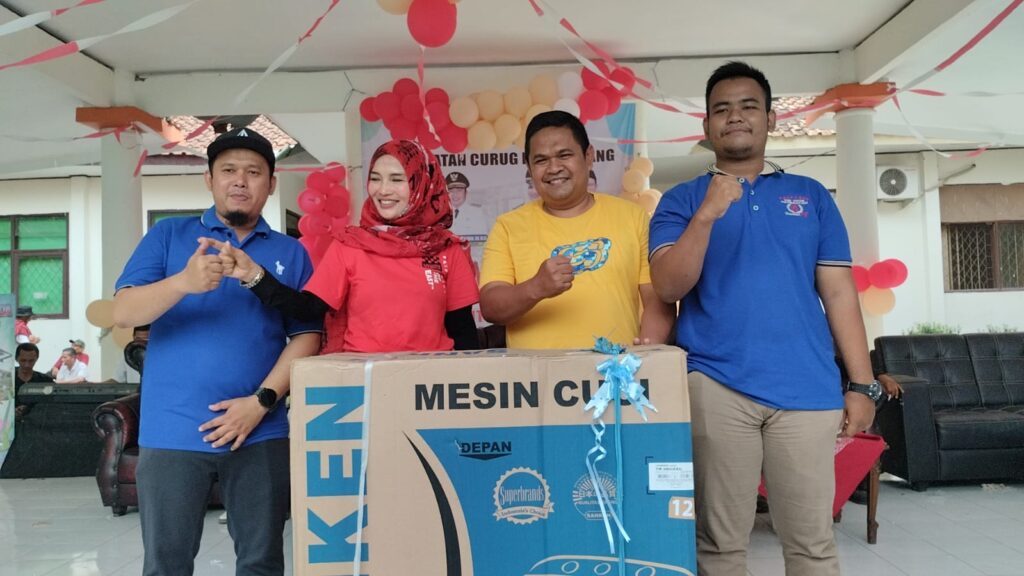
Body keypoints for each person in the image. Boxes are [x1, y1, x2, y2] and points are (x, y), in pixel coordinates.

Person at [648, 61, 876, 576]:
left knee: (812, 544)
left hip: (807, 390)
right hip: (717, 385)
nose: (735, 116)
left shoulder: (812, 196)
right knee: (719, 546)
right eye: (721, 109)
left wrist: (863, 385)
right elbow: (668, 286)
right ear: (706, 125)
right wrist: (708, 213)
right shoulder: (681, 200)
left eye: (748, 106)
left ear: (771, 119)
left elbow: (839, 293)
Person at [112, 127, 323, 576]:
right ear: (209, 179)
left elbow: (308, 335)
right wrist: (183, 282)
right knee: (166, 565)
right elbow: (124, 310)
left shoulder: (291, 252)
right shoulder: (169, 235)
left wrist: (260, 403)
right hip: (172, 432)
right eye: (228, 170)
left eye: (253, 172)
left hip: (260, 432)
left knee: (262, 563)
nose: (240, 181)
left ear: (271, 183)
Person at [214, 139, 480, 356]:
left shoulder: (446, 249)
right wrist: (254, 276)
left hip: (429, 388)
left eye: (397, 179)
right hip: (362, 383)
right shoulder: (350, 245)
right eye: (375, 178)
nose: (383, 190)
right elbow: (308, 310)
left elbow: (463, 332)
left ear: (422, 184)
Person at [479, 110, 675, 348]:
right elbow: (490, 307)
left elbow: (657, 299)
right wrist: (536, 287)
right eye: (541, 160)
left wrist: (648, 350)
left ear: (588, 155)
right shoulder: (508, 226)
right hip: (536, 370)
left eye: (564, 155)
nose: (553, 168)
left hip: (615, 368)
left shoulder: (633, 217)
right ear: (529, 167)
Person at [446, 171, 489, 240]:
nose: (455, 194)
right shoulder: (440, 215)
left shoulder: (477, 213)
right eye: (451, 191)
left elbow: (482, 239)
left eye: (459, 190)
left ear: (466, 193)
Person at [14, 342, 52, 418]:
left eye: (31, 361)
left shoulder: (45, 381)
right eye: (23, 360)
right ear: (16, 359)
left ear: (36, 359)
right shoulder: (5, 379)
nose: (27, 365)